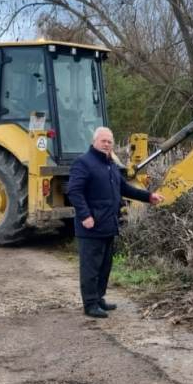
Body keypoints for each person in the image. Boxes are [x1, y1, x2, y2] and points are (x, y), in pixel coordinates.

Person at [66, 127, 164, 318]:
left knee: (104, 266)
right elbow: (74, 191)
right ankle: (90, 304)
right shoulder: (83, 163)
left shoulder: (110, 164)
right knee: (90, 267)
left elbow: (124, 188)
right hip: (91, 226)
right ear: (94, 142)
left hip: (109, 224)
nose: (107, 144)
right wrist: (85, 216)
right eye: (103, 141)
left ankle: (99, 298)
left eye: (110, 141)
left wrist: (148, 196)